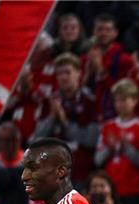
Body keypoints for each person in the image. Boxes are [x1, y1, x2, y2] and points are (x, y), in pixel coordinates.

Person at [34, 53, 100, 186]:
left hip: (80, 172)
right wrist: (52, 117)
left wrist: (65, 122)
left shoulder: (90, 101)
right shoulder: (49, 101)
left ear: (78, 73)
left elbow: (92, 140)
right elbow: (38, 137)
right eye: (59, 73)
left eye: (67, 72)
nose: (63, 77)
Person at [95, 79, 139, 204]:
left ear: (135, 101)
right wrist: (110, 148)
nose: (120, 104)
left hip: (133, 190)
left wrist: (127, 148)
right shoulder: (107, 127)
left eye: (125, 100)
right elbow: (97, 160)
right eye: (117, 100)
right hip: (110, 190)